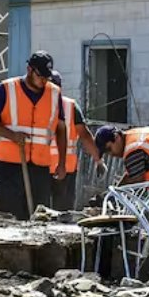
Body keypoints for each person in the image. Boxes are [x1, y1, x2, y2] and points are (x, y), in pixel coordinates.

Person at [0, 51, 67, 219]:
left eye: (46, 77)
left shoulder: (54, 93)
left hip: (40, 167)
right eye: (40, 76)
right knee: (10, 214)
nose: (43, 81)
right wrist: (11, 135)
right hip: (10, 167)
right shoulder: (7, 89)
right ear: (29, 70)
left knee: (40, 215)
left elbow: (61, 128)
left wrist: (62, 162)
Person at [47, 71, 103, 210]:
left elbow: (85, 135)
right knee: (62, 210)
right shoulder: (70, 106)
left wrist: (98, 159)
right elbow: (85, 135)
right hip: (63, 167)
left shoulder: (39, 104)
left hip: (44, 165)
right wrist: (98, 159)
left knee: (43, 209)